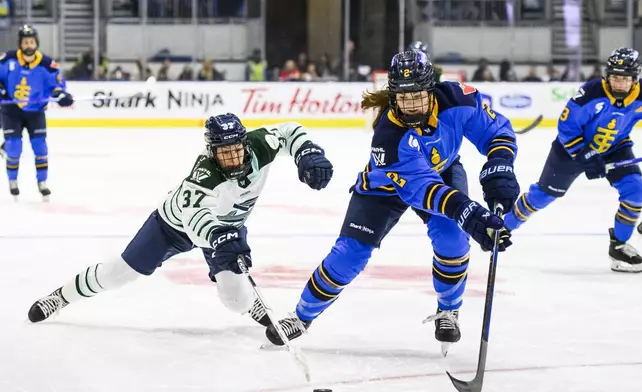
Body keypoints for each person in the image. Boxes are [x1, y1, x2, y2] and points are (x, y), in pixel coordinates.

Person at [264, 51, 519, 348]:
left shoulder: (458, 100)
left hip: (444, 171)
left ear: (432, 89)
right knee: (349, 254)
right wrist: (467, 211)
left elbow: (496, 131)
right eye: (403, 97)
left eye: (418, 96)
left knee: (453, 240)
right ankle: (301, 316)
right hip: (386, 186)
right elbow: (422, 189)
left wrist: (499, 165)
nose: (410, 105)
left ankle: (448, 309)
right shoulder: (388, 136)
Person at [26, 113, 334, 325]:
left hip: (225, 229)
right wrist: (219, 237)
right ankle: (60, 297)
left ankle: (249, 301)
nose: (232, 158)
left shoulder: (259, 144)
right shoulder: (204, 175)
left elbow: (290, 130)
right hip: (172, 227)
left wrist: (307, 153)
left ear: (244, 142)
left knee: (235, 302)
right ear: (211, 151)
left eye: (235, 149)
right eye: (222, 152)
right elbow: (193, 217)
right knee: (118, 273)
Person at [504, 47, 642, 273]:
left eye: (625, 79)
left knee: (636, 190)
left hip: (614, 146)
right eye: (615, 78)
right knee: (543, 195)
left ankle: (618, 246)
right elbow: (567, 128)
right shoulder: (591, 93)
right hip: (572, 149)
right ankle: (503, 226)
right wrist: (587, 155)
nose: (619, 84)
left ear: (635, 79)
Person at [0, 25, 74, 200]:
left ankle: (42, 182)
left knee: (40, 147)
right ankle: (13, 181)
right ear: (20, 43)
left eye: (31, 42)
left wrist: (61, 95)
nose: (28, 45)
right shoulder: (7, 60)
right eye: (25, 42)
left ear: (36, 43)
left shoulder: (47, 64)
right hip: (11, 110)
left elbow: (57, 86)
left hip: (36, 112)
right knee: (14, 147)